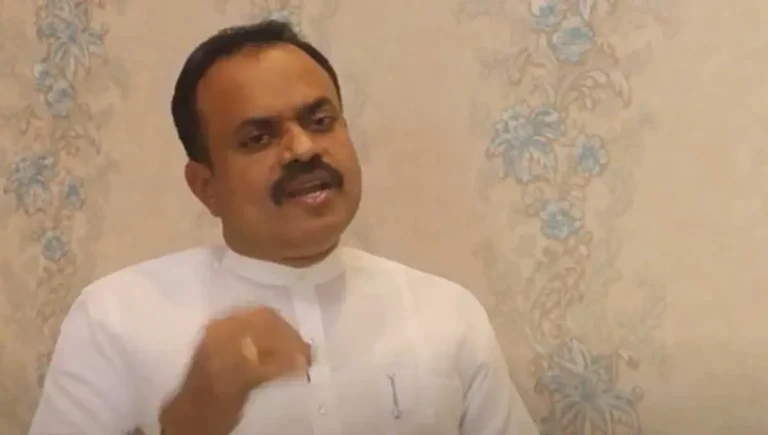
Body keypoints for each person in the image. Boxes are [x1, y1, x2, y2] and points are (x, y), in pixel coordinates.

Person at [28, 20, 540, 435]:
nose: (303, 148)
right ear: (205, 185)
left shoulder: (446, 313)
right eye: (258, 137)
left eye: (320, 121)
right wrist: (188, 424)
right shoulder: (114, 319)